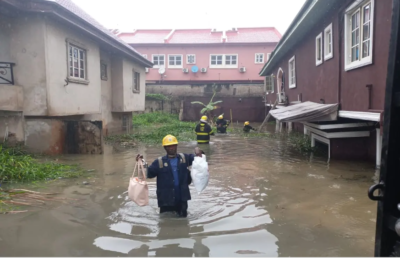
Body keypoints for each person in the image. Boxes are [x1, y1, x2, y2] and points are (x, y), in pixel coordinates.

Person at [135, 135, 203, 218]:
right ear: (165, 148)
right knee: (165, 222)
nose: (172, 148)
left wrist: (198, 151)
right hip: (166, 201)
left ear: (176, 146)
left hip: (182, 200)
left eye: (173, 145)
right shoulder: (159, 162)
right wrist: (141, 162)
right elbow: (147, 174)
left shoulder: (184, 158)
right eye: (169, 146)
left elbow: (200, 159)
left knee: (184, 222)